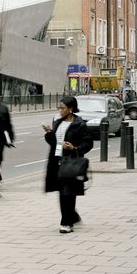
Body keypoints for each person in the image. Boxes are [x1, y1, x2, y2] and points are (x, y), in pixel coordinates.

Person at [43, 95, 93, 234]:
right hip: (57, 161)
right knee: (62, 192)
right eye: (59, 107)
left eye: (62, 108)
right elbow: (54, 142)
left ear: (70, 109)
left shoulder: (80, 124)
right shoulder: (58, 122)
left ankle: (66, 223)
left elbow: (88, 143)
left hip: (71, 162)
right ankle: (72, 216)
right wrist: (49, 133)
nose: (60, 110)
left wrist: (74, 148)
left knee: (68, 192)